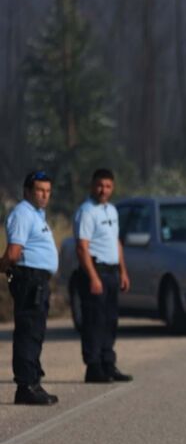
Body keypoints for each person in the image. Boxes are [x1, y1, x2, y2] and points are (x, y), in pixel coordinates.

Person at [1, 171, 59, 405]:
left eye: (47, 191)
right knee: (28, 332)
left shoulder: (37, 215)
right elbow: (13, 254)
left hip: (38, 280)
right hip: (29, 279)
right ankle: (25, 386)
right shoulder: (23, 214)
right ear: (27, 191)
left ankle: (34, 382)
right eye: (39, 190)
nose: (44, 195)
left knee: (35, 333)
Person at [73, 168, 132, 383]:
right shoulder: (86, 212)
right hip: (95, 271)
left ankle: (108, 363)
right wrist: (93, 277)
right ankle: (93, 366)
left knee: (110, 320)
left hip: (112, 272)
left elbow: (116, 242)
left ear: (112, 187)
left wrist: (123, 271)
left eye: (107, 186)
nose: (103, 190)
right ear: (92, 185)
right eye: (99, 185)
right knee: (94, 321)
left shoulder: (111, 210)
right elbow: (82, 247)